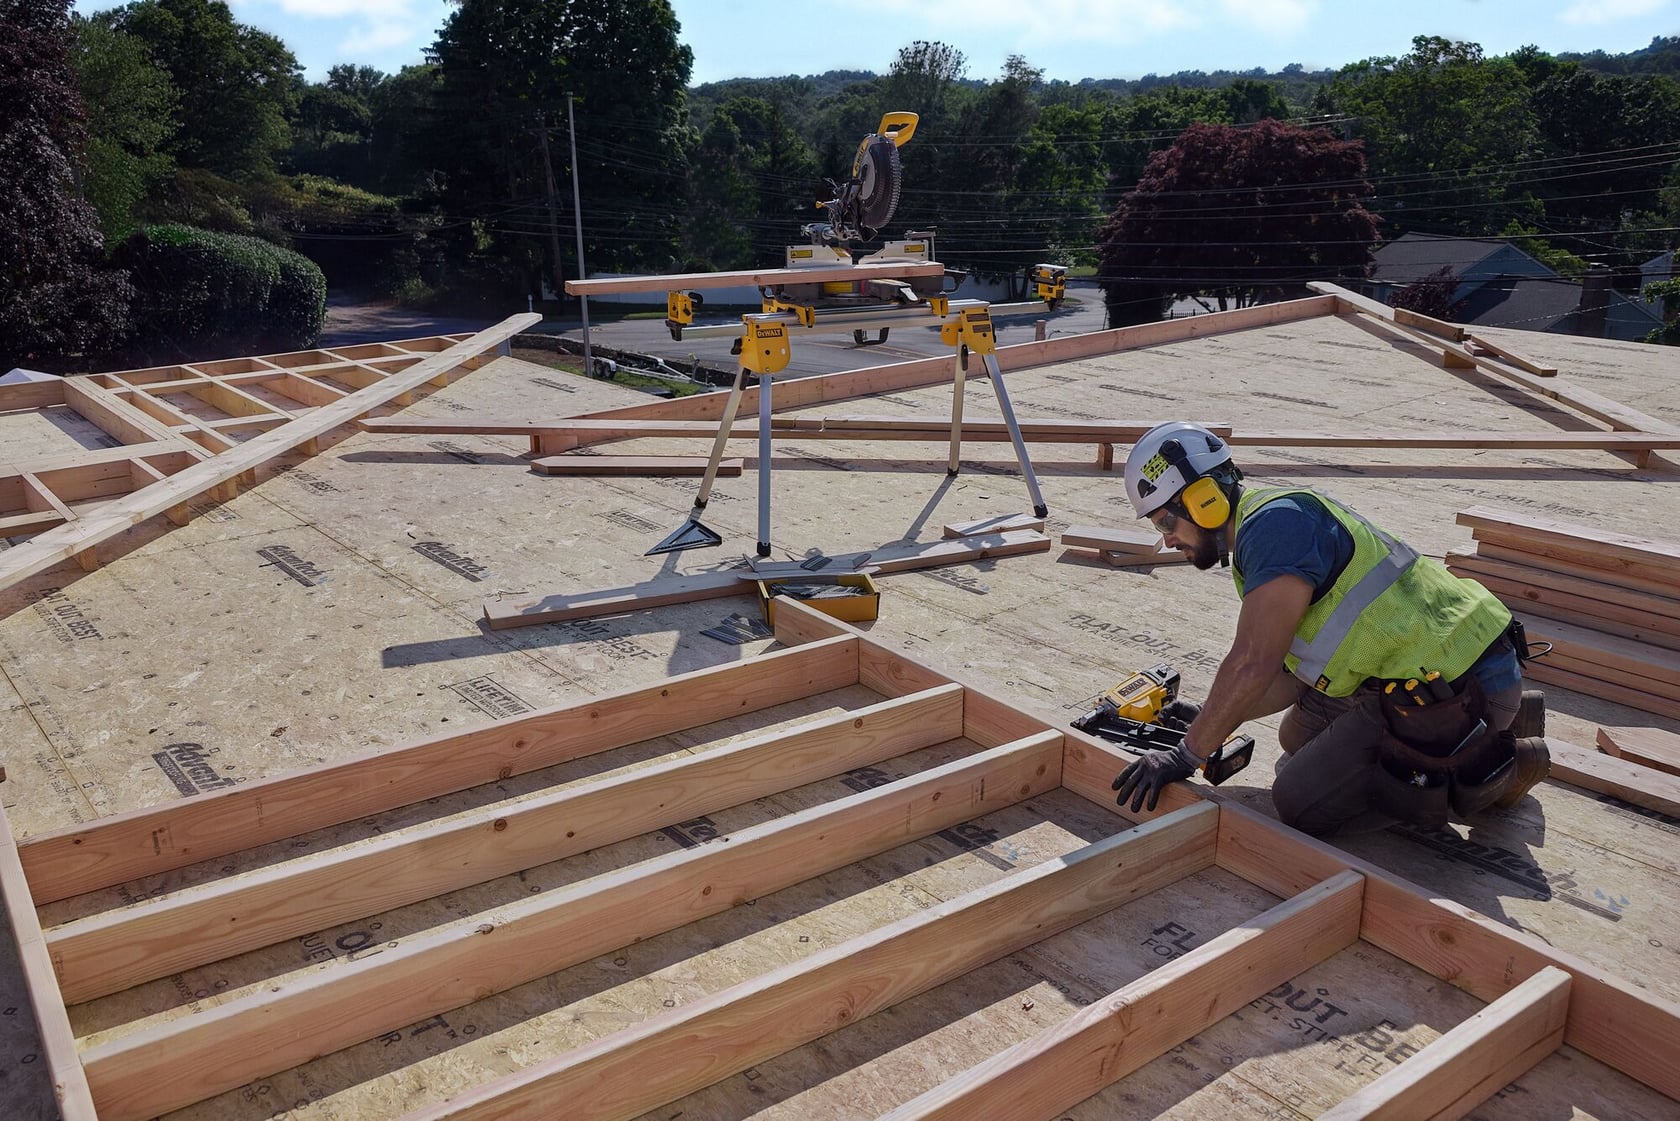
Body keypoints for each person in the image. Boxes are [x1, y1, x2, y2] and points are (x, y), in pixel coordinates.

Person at [1110, 421, 1549, 835]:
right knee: (1295, 735)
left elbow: (1253, 662)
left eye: (1166, 521)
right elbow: (1286, 674)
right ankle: (1506, 717)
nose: (1167, 539)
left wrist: (1185, 755)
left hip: (1452, 688)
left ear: (1205, 499)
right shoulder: (1264, 526)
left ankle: (1496, 763)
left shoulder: (1274, 528)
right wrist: (1210, 721)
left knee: (1301, 803)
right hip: (1427, 676)